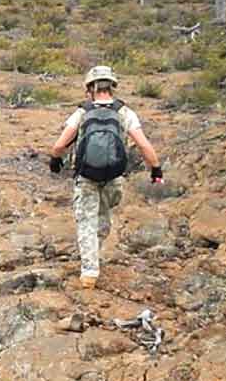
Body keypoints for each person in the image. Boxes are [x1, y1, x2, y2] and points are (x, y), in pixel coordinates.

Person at [50, 66, 163, 289]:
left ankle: (89, 272)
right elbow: (143, 145)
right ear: (112, 86)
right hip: (114, 177)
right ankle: (94, 255)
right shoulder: (125, 113)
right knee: (103, 219)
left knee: (86, 222)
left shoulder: (82, 112)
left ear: (90, 88)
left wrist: (55, 160)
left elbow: (60, 144)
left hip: (86, 176)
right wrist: (156, 169)